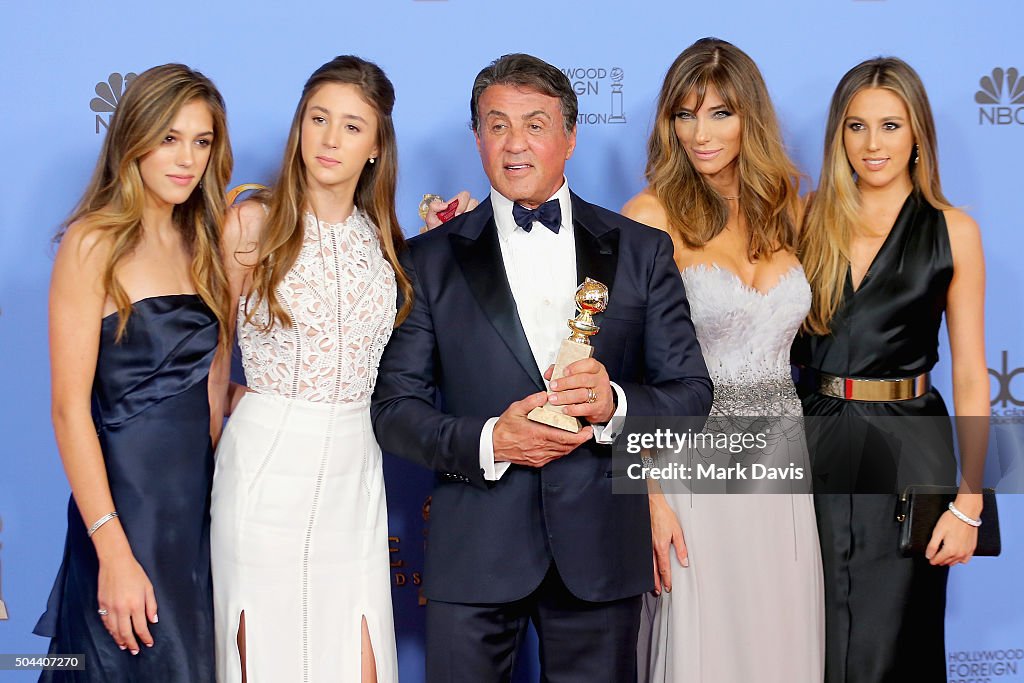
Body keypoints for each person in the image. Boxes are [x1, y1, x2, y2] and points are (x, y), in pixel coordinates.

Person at [371, 52, 712, 683]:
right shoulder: (426, 260)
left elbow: (691, 395)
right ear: (477, 139)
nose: (515, 144)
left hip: (601, 549)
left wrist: (614, 404)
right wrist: (489, 439)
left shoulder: (639, 250)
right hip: (474, 550)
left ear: (570, 137)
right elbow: (394, 412)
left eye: (535, 124)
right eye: (497, 125)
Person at [622, 38, 825, 682]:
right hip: (692, 461)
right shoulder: (651, 215)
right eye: (685, 115)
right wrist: (648, 494)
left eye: (718, 113)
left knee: (779, 636)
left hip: (780, 462)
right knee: (704, 643)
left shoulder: (789, 209)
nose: (699, 133)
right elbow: (623, 367)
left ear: (750, 118)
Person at [209, 56, 408, 683]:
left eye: (352, 126)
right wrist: (215, 438)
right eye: (319, 119)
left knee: (359, 655)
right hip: (263, 466)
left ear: (376, 146)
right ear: (300, 128)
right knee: (258, 655)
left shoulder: (386, 241)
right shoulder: (250, 222)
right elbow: (212, 360)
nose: (330, 139)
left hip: (356, 467)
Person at [35, 63, 233, 682]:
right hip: (123, 518)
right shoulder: (92, 244)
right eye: (170, 138)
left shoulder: (206, 243)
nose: (187, 159)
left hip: (196, 518)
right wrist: (112, 551)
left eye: (202, 142)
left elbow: (213, 398)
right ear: (133, 138)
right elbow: (69, 410)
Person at [793, 56, 987, 682]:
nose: (872, 145)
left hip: (911, 447)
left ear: (917, 135)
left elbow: (970, 375)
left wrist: (970, 503)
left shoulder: (953, 231)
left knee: (897, 643)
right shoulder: (805, 215)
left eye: (890, 125)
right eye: (855, 126)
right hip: (815, 436)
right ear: (838, 135)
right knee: (811, 636)